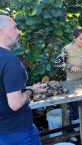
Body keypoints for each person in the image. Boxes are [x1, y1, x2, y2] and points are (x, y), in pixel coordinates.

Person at [0, 15, 47, 145]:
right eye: (15, 28)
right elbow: (15, 104)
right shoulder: (10, 61)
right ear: (1, 32)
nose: (19, 31)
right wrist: (31, 90)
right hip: (17, 132)